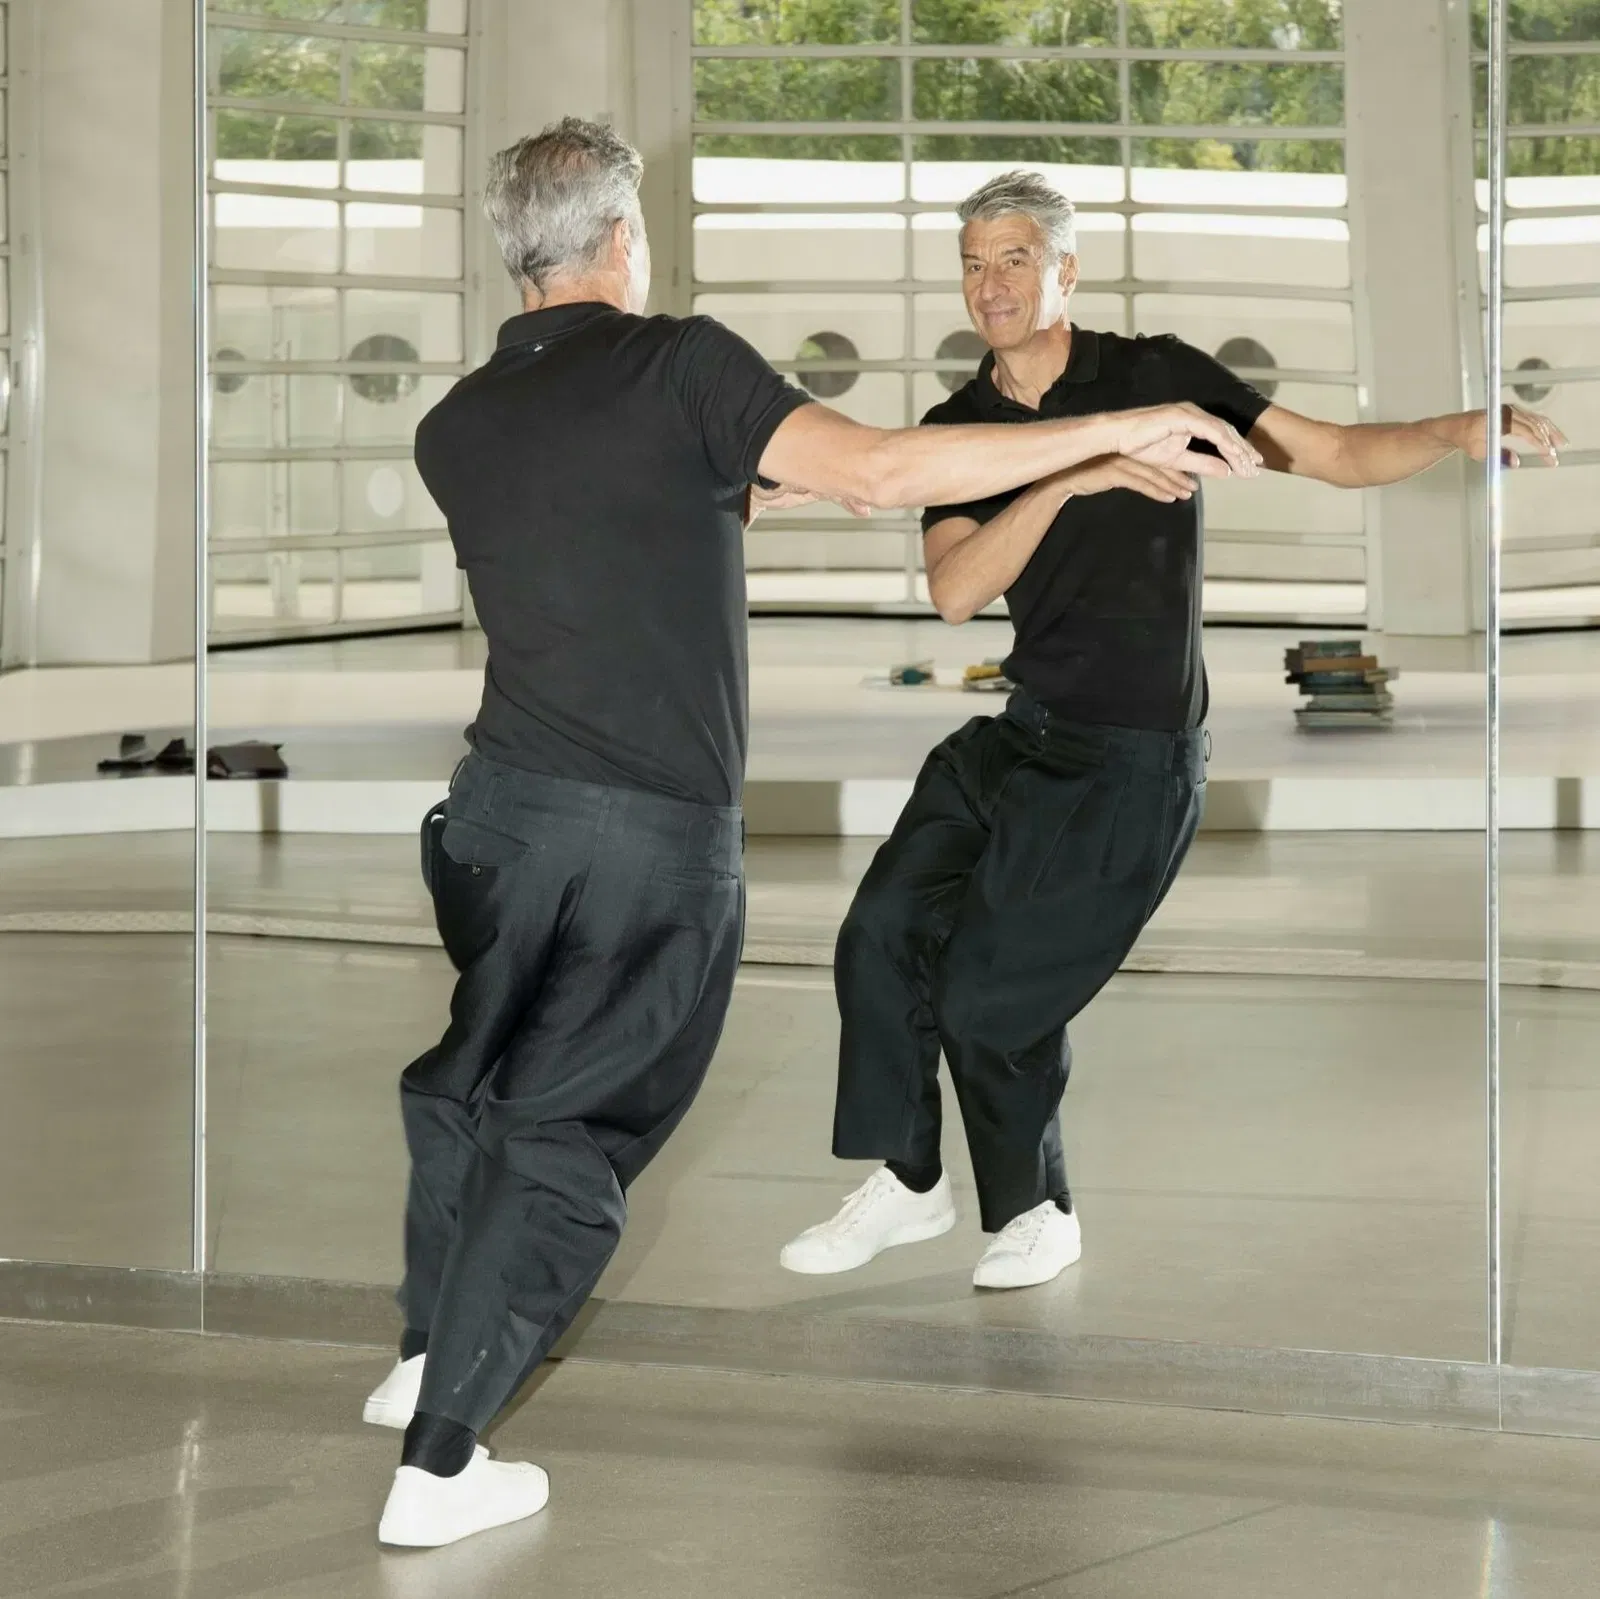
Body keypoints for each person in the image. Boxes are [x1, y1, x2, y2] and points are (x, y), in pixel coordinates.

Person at [359, 122, 1264, 1549]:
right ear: (618, 240)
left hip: (493, 828)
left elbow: (680, 498)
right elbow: (883, 472)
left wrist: (786, 481)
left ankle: (425, 1339)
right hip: (642, 842)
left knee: (466, 1081)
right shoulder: (683, 365)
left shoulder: (457, 423)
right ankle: (444, 1452)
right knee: (569, 1129)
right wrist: (1113, 428)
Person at [780, 168, 1565, 1294]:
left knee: (990, 999)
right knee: (878, 934)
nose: (990, 284)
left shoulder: (1157, 376)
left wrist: (1451, 427)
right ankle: (912, 1182)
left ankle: (1037, 1210)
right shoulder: (960, 426)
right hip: (1015, 740)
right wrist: (1080, 473)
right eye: (972, 263)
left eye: (1012, 259)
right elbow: (957, 591)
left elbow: (1333, 454)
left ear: (1065, 270)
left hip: (1130, 762)